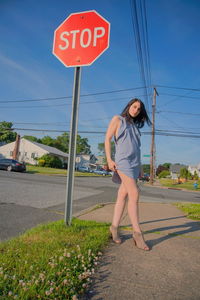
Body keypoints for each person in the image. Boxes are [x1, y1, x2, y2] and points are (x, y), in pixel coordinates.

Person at [105, 98, 151, 251]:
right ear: (129, 106)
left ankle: (114, 227)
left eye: (139, 109)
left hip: (134, 165)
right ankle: (137, 233)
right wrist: (109, 159)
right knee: (134, 193)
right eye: (134, 106)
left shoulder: (136, 128)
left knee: (122, 196)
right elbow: (107, 139)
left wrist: (140, 168)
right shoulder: (118, 119)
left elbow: (137, 150)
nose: (136, 110)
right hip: (122, 162)